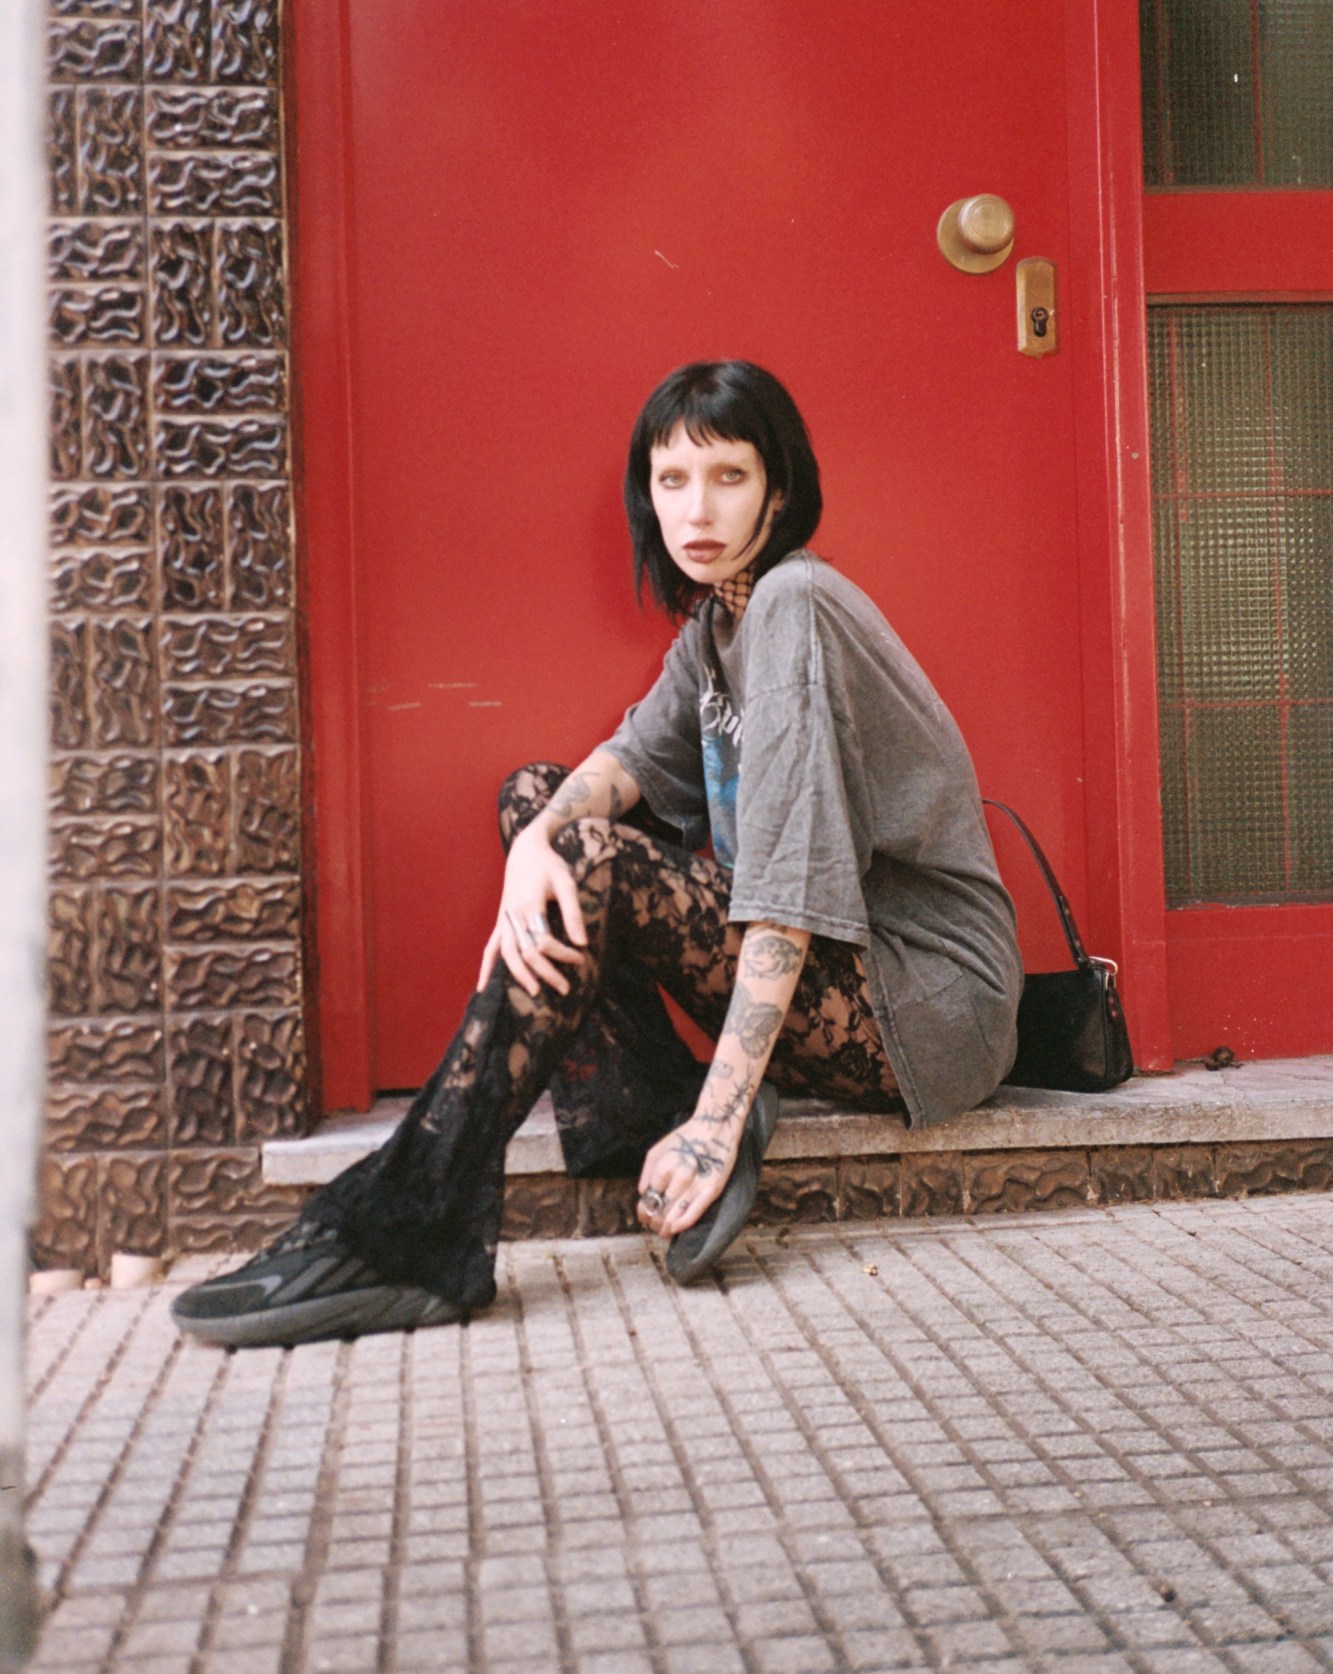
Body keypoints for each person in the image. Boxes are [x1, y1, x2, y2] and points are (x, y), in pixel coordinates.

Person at [172, 361, 1023, 1349]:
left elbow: (788, 891)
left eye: (728, 477)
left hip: (923, 1005)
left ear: (779, 490)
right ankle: (632, 1107)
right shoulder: (717, 625)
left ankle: (420, 1216)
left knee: (586, 859)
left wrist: (717, 1121)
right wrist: (528, 846)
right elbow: (619, 765)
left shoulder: (795, 602)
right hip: (835, 982)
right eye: (671, 481)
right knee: (539, 801)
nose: (696, 508)